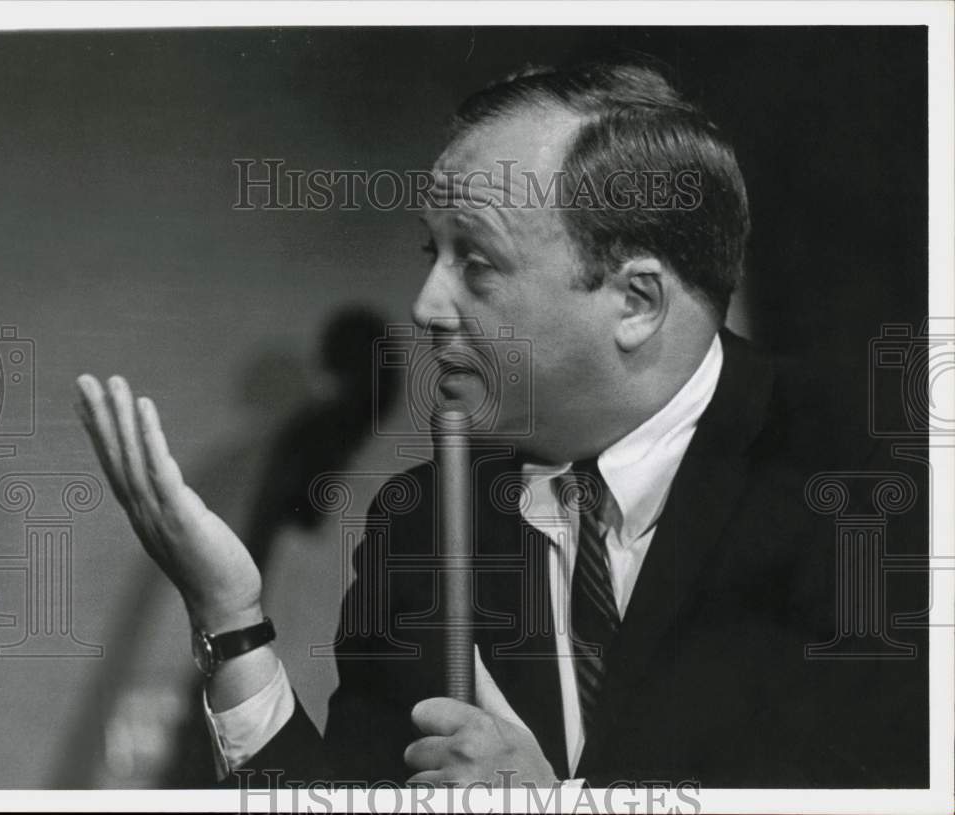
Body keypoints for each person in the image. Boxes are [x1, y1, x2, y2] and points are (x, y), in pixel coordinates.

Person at [73, 63, 928, 789]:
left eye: (474, 261)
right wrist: (232, 617)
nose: (425, 304)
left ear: (635, 300)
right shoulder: (420, 522)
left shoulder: (877, 482)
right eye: (430, 255)